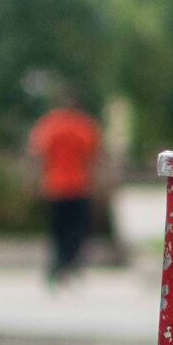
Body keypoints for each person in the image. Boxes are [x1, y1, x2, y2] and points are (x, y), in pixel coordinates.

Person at [26, 88, 101, 285]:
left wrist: (34, 181)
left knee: (57, 229)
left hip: (55, 186)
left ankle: (58, 264)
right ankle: (69, 263)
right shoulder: (84, 126)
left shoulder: (50, 124)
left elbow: (38, 155)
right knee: (76, 229)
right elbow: (94, 158)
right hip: (78, 186)